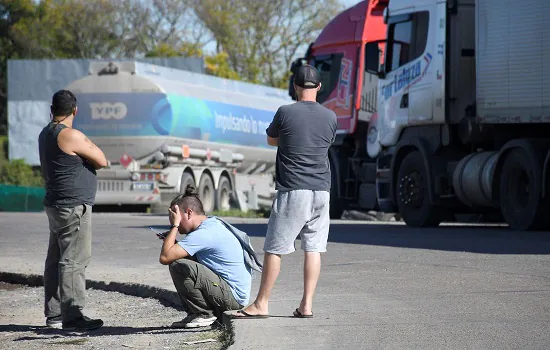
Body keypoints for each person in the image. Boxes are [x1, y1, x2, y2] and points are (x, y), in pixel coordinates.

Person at [235, 64, 337, 319]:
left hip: (294, 189)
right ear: (319, 87)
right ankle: (307, 305)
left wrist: (289, 138)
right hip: (322, 191)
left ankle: (261, 304)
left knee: (275, 248)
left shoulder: (285, 112)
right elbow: (325, 142)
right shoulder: (330, 117)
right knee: (313, 249)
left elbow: (271, 140)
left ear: (295, 87)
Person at [39, 89, 108, 331]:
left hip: (56, 204)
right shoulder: (70, 135)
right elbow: (102, 160)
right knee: (74, 261)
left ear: (52, 110)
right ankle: (73, 315)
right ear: (75, 111)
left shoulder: (45, 133)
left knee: (56, 259)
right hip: (73, 206)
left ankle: (55, 314)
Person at [158, 186, 262, 329]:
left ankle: (203, 314)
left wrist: (175, 226)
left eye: (175, 218)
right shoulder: (212, 223)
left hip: (233, 297)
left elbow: (165, 257)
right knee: (182, 261)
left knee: (178, 265)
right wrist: (174, 240)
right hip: (229, 291)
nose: (172, 223)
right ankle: (197, 314)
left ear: (188, 213)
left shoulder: (204, 233)